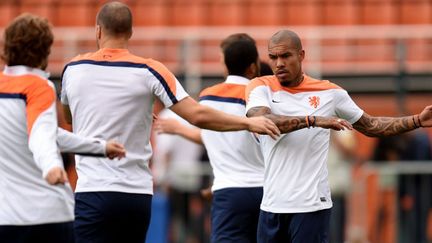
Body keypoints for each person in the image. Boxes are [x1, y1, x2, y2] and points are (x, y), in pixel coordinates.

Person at [60, 2, 280, 243]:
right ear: (131, 32)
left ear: (98, 31)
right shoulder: (151, 70)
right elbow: (197, 115)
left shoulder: (73, 69)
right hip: (135, 193)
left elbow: (71, 119)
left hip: (92, 190)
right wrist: (248, 123)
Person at [245, 29, 432, 242]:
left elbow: (371, 125)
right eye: (273, 57)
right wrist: (312, 120)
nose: (279, 63)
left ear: (301, 55)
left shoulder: (330, 93)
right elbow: (262, 121)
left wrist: (417, 120)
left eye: (285, 56)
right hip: (271, 205)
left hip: (312, 205)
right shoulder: (260, 87)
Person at [0, 13, 126, 243]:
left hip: (6, 220)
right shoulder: (39, 86)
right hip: (47, 215)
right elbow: (41, 134)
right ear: (45, 50)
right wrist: (51, 165)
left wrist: (100, 147)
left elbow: (47, 133)